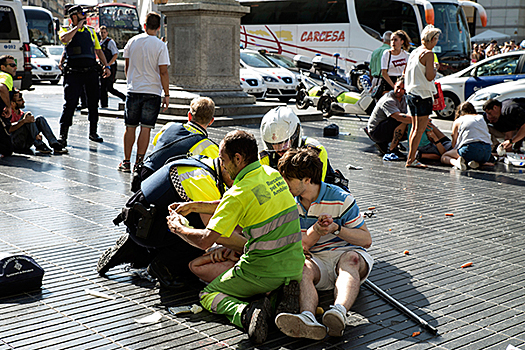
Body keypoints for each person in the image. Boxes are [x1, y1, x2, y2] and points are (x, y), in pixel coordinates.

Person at [167, 130, 305, 344]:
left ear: (238, 159)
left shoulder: (238, 193)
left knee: (208, 295)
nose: (222, 166)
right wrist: (194, 206)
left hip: (262, 270)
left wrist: (178, 228)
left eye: (223, 160)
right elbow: (235, 204)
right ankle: (278, 297)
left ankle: (245, 313)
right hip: (295, 265)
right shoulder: (271, 174)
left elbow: (205, 240)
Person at [97, 155, 244, 289]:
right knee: (199, 233)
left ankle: (136, 248)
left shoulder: (206, 163)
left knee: (193, 217)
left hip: (140, 220)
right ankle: (165, 266)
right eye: (236, 177)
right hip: (147, 227)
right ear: (225, 165)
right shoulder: (203, 180)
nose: (236, 183)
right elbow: (216, 234)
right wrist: (251, 247)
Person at [274, 148, 372, 340]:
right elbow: (300, 245)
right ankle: (307, 317)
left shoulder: (341, 198)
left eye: (288, 179)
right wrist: (316, 232)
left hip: (344, 254)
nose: (283, 184)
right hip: (316, 259)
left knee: (350, 259)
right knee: (301, 267)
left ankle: (339, 312)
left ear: (307, 179)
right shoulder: (288, 203)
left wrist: (337, 229)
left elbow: (366, 240)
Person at [129, 97, 219, 191]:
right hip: (164, 185)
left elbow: (156, 142)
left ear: (189, 115)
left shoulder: (169, 126)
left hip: (145, 176)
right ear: (211, 121)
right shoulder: (208, 146)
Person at [120, 12, 170, 172]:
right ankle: (138, 164)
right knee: (146, 128)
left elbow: (127, 67)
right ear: (159, 27)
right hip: (152, 91)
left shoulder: (132, 42)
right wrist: (167, 94)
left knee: (130, 127)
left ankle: (126, 162)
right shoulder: (160, 46)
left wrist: (131, 82)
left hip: (134, 89)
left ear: (144, 25)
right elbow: (163, 72)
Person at [58, 4, 111, 147]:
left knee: (93, 103)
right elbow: (64, 39)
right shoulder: (65, 29)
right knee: (70, 103)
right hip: (74, 73)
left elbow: (98, 51)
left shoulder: (91, 31)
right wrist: (77, 27)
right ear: (74, 16)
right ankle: (63, 135)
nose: (85, 17)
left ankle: (93, 132)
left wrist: (106, 66)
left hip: (91, 72)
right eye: (82, 14)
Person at [259, 106, 349, 190]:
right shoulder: (266, 157)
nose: (279, 149)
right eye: (273, 144)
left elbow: (315, 190)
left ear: (295, 135)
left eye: (283, 143)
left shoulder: (315, 151)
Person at [404, 25, 441, 168]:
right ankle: (411, 159)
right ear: (432, 39)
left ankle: (411, 158)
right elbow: (430, 76)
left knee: (414, 128)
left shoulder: (415, 52)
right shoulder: (429, 54)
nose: (436, 42)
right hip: (423, 95)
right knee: (419, 130)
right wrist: (436, 67)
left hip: (412, 93)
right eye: (436, 39)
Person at [9, 90, 68, 155]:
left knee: (40, 119)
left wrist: (36, 133)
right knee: (28, 118)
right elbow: (8, 129)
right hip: (15, 142)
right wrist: (23, 121)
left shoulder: (21, 113)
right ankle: (39, 144)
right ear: (13, 103)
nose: (23, 102)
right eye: (20, 100)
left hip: (26, 141)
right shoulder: (8, 113)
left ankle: (54, 144)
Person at [366, 78, 411, 158]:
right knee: (402, 120)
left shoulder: (404, 98)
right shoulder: (388, 99)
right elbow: (398, 117)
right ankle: (391, 149)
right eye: (398, 87)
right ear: (394, 85)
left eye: (402, 89)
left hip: (386, 126)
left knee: (409, 122)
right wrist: (419, 120)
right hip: (376, 131)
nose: (399, 91)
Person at [442, 102, 493, 170]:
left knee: (444, 156)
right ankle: (475, 163)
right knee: (474, 155)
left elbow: (454, 144)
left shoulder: (458, 120)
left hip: (470, 149)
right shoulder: (481, 117)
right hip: (487, 152)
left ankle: (456, 163)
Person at [99, 25, 126, 108]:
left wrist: (108, 65)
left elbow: (115, 55)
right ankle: (104, 105)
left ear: (107, 33)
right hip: (103, 67)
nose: (103, 34)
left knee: (109, 87)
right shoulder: (100, 42)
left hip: (111, 67)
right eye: (101, 32)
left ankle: (124, 97)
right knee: (102, 87)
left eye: (104, 32)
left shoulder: (110, 42)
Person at [0, 55, 16, 157]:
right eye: (12, 65)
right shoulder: (6, 76)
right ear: (3, 67)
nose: (15, 67)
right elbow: (1, 87)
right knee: (7, 150)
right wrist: (8, 106)